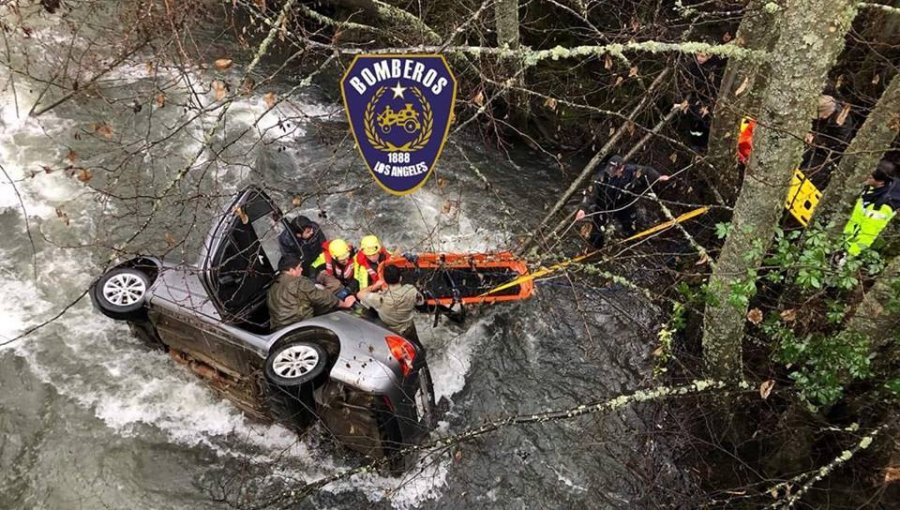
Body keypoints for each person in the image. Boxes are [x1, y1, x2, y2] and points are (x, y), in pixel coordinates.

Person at [575, 155, 671, 248]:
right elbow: (590, 193)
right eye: (610, 169)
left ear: (622, 168)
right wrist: (582, 209)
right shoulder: (600, 177)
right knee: (598, 232)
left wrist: (658, 177)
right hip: (604, 206)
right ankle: (594, 247)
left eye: (614, 170)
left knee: (630, 226)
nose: (611, 173)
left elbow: (647, 171)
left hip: (624, 204)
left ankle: (630, 242)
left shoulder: (631, 171)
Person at [267, 254, 356, 331]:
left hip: (278, 331)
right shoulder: (299, 282)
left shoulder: (272, 289)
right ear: (291, 270)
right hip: (300, 325)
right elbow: (322, 297)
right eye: (299, 268)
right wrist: (344, 304)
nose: (301, 269)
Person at [843, 161, 900, 255]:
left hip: (850, 247)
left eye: (870, 177)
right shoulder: (872, 188)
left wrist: (849, 255)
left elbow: (867, 236)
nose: (866, 177)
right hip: (846, 237)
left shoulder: (882, 208)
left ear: (881, 182)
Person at [358, 264, 424, 343]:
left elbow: (359, 294)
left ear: (385, 281)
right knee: (417, 347)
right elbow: (421, 303)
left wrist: (375, 285)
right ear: (400, 278)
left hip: (392, 333)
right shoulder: (411, 290)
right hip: (409, 327)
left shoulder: (379, 299)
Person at [802, 94, 857, 188]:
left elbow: (838, 142)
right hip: (813, 144)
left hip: (827, 154)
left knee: (808, 174)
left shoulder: (842, 122)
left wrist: (815, 140)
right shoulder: (824, 108)